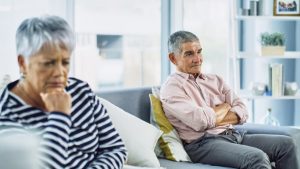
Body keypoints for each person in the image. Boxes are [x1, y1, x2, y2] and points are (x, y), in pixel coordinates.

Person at [0, 15, 127, 169]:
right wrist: (60, 116)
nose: (60, 73)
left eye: (65, 62)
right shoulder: (6, 115)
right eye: (48, 63)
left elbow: (115, 148)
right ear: (22, 63)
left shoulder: (81, 91)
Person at [160, 30, 298, 169]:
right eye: (189, 54)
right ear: (173, 58)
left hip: (233, 135)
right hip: (202, 144)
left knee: (286, 145)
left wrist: (212, 117)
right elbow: (200, 121)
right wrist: (225, 106)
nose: (198, 59)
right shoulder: (172, 88)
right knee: (257, 157)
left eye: (199, 52)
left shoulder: (215, 80)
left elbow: (243, 111)